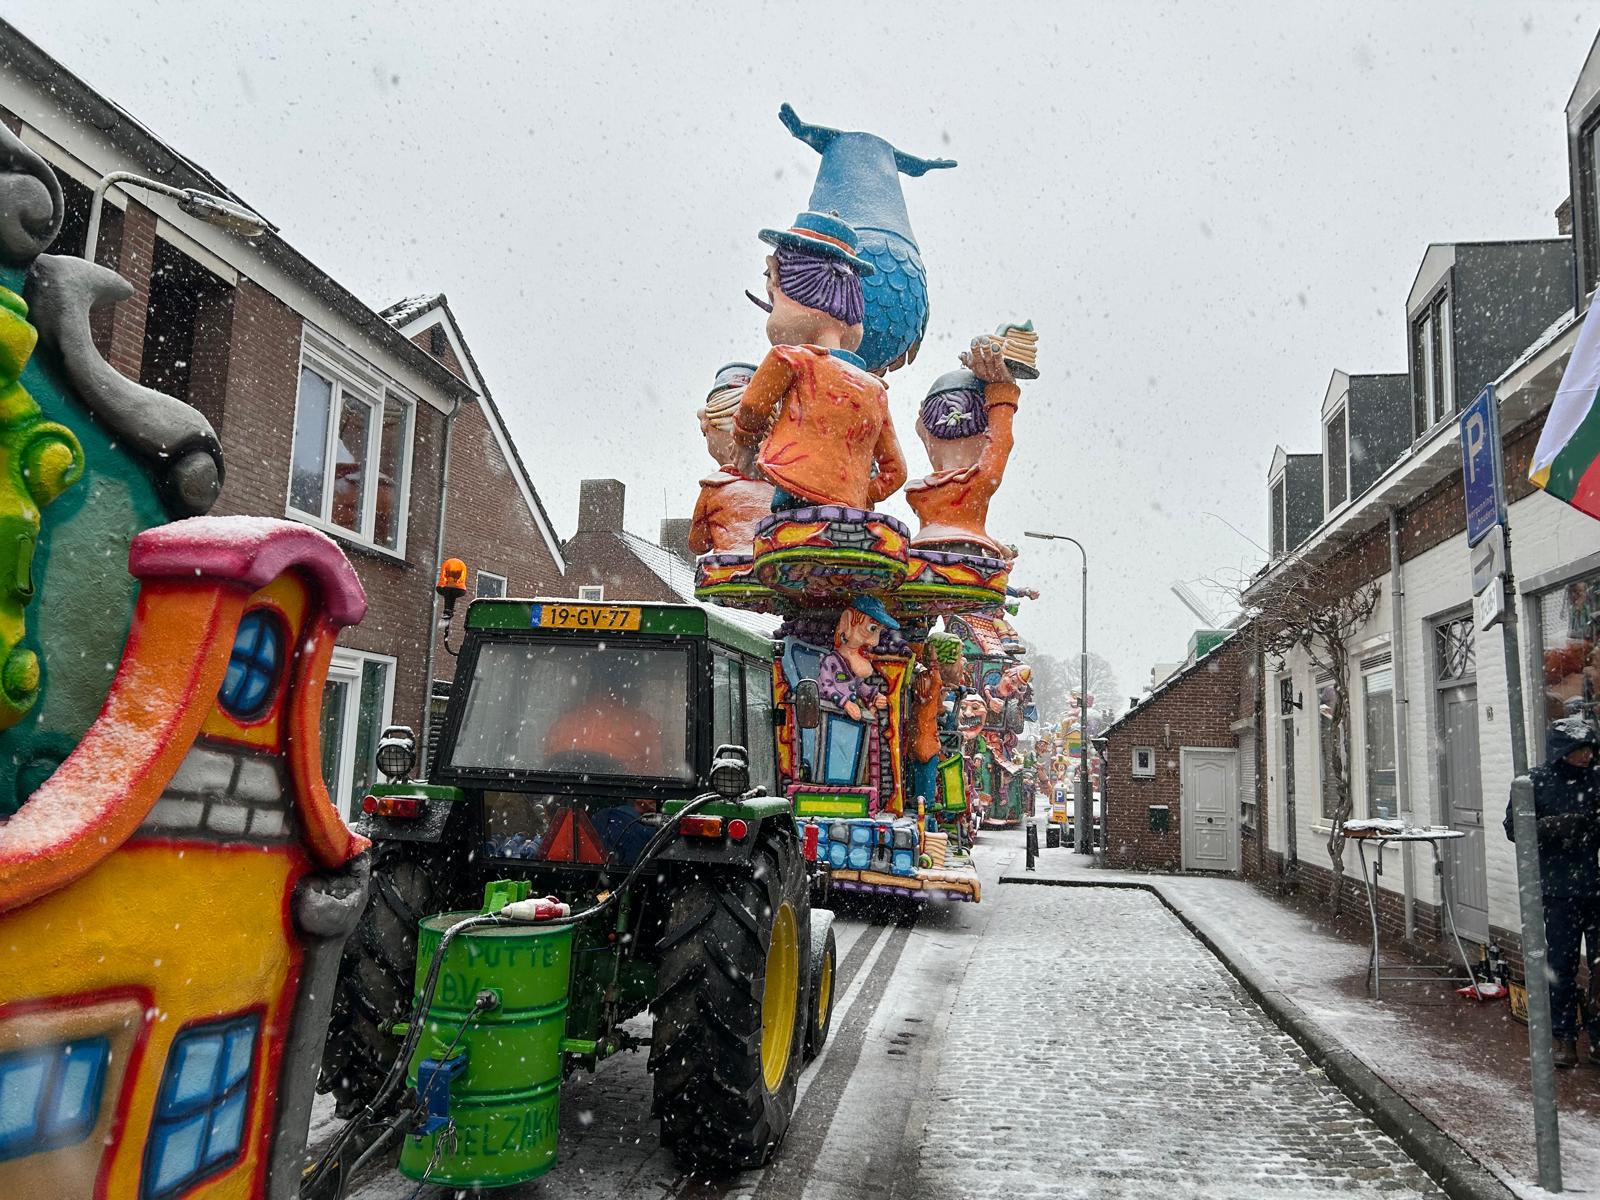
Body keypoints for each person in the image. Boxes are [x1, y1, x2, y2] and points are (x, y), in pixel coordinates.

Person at [733, 211, 907, 513]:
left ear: (775, 275)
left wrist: (746, 439)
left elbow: (751, 408)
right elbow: (896, 471)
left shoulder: (788, 360)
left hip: (792, 504)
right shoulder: (875, 390)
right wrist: (857, 493)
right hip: (848, 515)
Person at [1504, 715, 1600, 1068]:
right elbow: (1514, 828)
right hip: (1559, 890)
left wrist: (1592, 828)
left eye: (1591, 749)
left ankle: (1598, 1036)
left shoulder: (1597, 779)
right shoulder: (1535, 782)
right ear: (1563, 751)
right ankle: (1564, 1037)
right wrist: (1550, 827)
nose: (1587, 756)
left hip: (1595, 885)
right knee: (1561, 964)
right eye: (1580, 750)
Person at [903, 335, 1023, 557]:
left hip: (919, 558)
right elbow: (1001, 441)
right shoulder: (978, 483)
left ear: (924, 431)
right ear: (983, 435)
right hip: (965, 566)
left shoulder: (917, 492)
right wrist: (1003, 391)